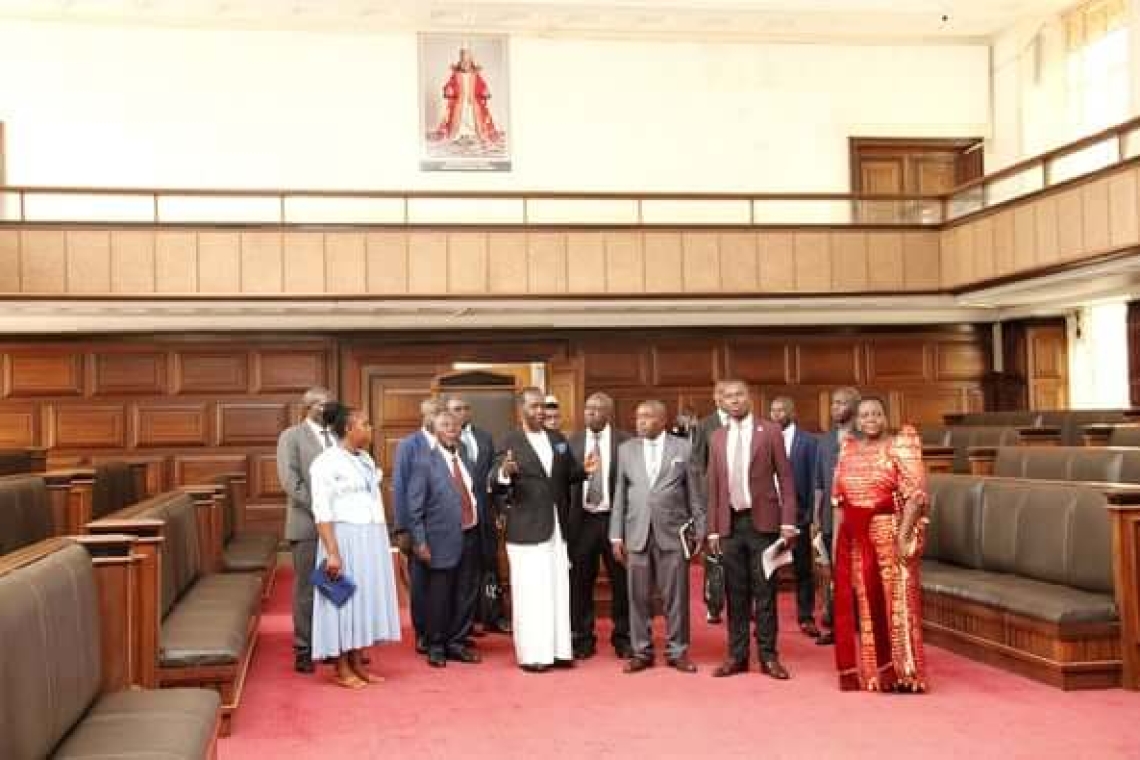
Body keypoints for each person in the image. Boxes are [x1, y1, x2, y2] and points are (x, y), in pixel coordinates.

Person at [491, 386, 596, 672]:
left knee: (558, 590)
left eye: (543, 407)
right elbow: (493, 478)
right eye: (534, 406)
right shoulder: (508, 440)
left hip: (558, 529)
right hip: (526, 530)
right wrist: (504, 472)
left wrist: (584, 470)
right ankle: (533, 655)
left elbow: (567, 475)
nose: (540, 412)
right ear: (521, 409)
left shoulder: (557, 439)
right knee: (531, 593)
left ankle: (560, 650)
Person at [831, 396, 929, 693]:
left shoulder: (901, 444)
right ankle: (877, 673)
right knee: (866, 603)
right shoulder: (847, 449)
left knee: (897, 603)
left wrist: (903, 534)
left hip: (889, 534)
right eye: (864, 415)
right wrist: (836, 541)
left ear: (885, 417)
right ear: (857, 420)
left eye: (876, 413)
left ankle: (906, 673)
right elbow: (838, 500)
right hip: (856, 538)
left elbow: (916, 494)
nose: (870, 419)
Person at [705, 380, 797, 680]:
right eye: (728, 396)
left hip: (764, 524)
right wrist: (713, 530)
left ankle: (769, 657)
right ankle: (737, 656)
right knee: (736, 594)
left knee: (765, 592)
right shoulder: (717, 437)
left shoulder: (769, 431)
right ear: (722, 402)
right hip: (730, 524)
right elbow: (714, 486)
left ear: (749, 398)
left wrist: (788, 522)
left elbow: (785, 478)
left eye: (739, 395)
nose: (734, 400)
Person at [309, 402, 401, 689]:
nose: (370, 429)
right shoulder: (325, 462)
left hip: (370, 537)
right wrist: (333, 553)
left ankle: (359, 663)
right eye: (365, 424)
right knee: (343, 602)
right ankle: (341, 667)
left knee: (363, 601)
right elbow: (321, 510)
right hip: (344, 538)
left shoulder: (365, 459)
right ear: (348, 429)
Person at [610, 400, 705, 674]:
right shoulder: (626, 450)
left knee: (676, 596)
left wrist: (700, 529)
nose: (641, 421)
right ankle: (641, 651)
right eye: (638, 416)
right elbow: (619, 495)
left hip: (672, 533)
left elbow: (695, 495)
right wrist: (616, 535)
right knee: (637, 596)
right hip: (636, 532)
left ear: (663, 421)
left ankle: (678, 651)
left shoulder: (683, 448)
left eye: (648, 417)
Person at [405, 410, 483, 668]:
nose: (451, 428)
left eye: (455, 425)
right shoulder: (423, 461)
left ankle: (457, 643)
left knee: (465, 593)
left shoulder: (467, 460)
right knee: (439, 596)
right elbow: (413, 508)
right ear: (435, 431)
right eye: (445, 425)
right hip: (438, 540)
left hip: (471, 534)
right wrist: (419, 542)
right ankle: (436, 645)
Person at [568, 392, 632, 660]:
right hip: (582, 522)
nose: (591, 413)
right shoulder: (572, 442)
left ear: (608, 413)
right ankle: (583, 638)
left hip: (615, 522)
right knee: (580, 583)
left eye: (597, 409)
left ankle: (624, 638)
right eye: (588, 409)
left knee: (622, 583)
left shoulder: (626, 442)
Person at [276, 386, 335, 674]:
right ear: (308, 407)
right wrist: (321, 508)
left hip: (337, 524)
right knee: (307, 588)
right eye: (323, 405)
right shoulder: (291, 436)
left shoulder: (337, 436)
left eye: (329, 404)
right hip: (307, 523)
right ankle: (304, 647)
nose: (327, 409)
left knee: (334, 583)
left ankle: (331, 645)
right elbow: (290, 480)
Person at [444, 394, 510, 636]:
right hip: (458, 517)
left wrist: (501, 510)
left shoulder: (484, 437)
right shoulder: (445, 440)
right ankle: (466, 621)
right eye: (455, 409)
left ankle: (494, 615)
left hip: (485, 511)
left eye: (464, 408)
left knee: (490, 566)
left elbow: (495, 475)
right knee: (463, 571)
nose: (461, 412)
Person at [392, 398, 443, 655]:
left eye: (441, 413)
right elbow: (400, 487)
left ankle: (442, 631)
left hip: (445, 527)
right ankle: (422, 633)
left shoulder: (451, 444)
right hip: (417, 526)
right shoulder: (409, 445)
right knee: (421, 584)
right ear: (424, 417)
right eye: (433, 413)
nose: (438, 418)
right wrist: (402, 529)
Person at [812, 386, 861, 647]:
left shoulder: (865, 436)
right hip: (831, 518)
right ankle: (839, 625)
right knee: (836, 574)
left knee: (862, 572)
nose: (835, 407)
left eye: (841, 403)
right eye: (833, 403)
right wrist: (816, 518)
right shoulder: (825, 440)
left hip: (860, 515)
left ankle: (866, 623)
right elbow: (818, 483)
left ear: (855, 406)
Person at [769, 396, 821, 638]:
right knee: (767, 567)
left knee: (803, 568)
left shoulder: (809, 442)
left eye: (782, 410)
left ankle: (806, 615)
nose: (777, 414)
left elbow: (814, 480)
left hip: (799, 514)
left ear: (792, 412)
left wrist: (812, 515)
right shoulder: (765, 439)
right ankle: (764, 615)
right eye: (773, 410)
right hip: (769, 514)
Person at [691, 381, 729, 624]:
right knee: (714, 555)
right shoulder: (705, 425)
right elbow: (697, 463)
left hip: (743, 498)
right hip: (713, 499)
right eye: (723, 395)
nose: (729, 399)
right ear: (716, 399)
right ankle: (713, 604)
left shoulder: (750, 424)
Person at [429, 47, 502, 145]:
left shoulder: (475, 75)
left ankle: (474, 133)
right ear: (460, 62)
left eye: (467, 62)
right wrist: (449, 89)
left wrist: (484, 91)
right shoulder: (456, 75)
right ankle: (458, 133)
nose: (465, 64)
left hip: (473, 101)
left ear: (471, 62)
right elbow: (450, 84)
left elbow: (481, 85)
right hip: (460, 102)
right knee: (460, 116)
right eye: (463, 62)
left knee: (473, 117)